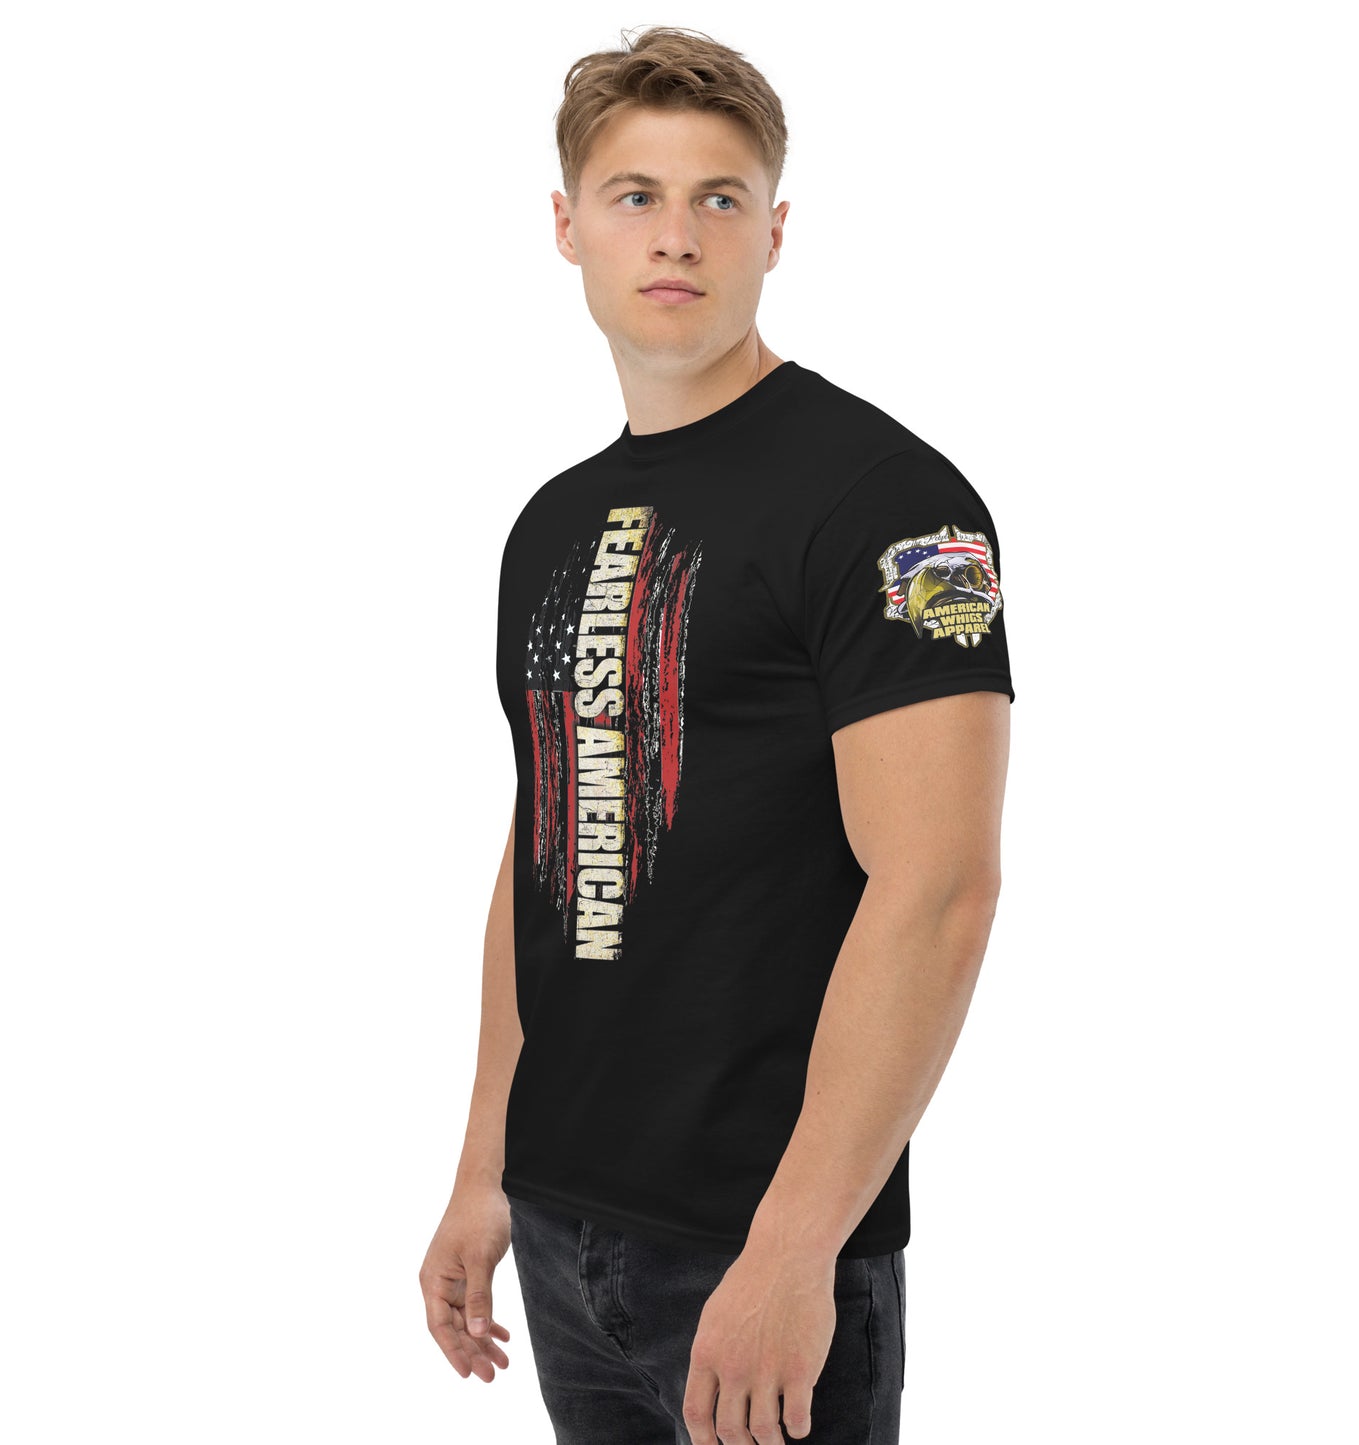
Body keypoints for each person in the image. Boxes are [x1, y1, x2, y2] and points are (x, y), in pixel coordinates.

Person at [419, 25, 1013, 1444]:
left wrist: (797, 1247)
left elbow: (939, 887)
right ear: (567, 226)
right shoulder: (551, 521)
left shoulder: (889, 502)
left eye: (719, 198)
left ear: (775, 233)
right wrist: (485, 1166)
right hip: (562, 1225)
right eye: (634, 195)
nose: (675, 234)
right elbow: (548, 843)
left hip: (757, 1244)